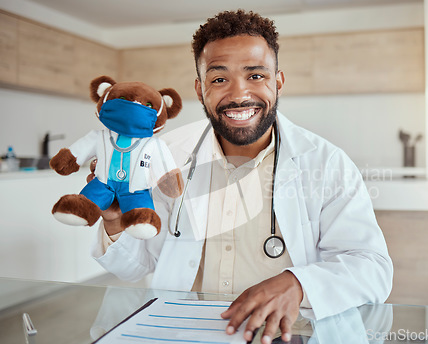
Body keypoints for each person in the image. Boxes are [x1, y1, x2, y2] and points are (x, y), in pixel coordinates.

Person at [90, 9, 393, 344]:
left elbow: (372, 268)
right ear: (200, 88)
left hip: (285, 336)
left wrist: (298, 284)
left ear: (277, 82)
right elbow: (136, 266)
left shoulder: (326, 163)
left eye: (256, 76)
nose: (238, 94)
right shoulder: (166, 157)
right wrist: (115, 223)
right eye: (219, 79)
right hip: (182, 333)